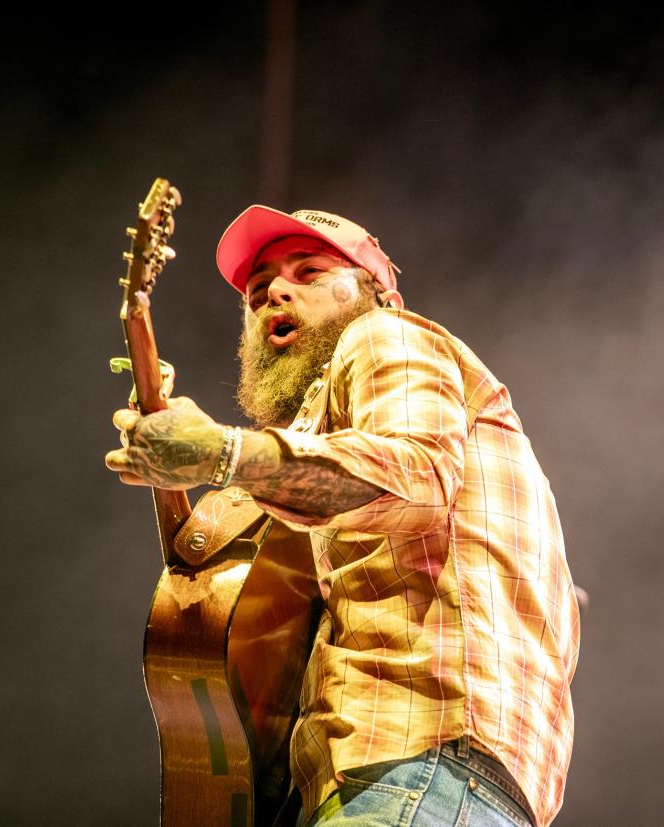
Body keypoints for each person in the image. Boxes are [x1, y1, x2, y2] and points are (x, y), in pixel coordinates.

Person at [105, 206, 580, 826]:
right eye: (258, 290)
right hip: (439, 782)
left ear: (378, 293)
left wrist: (220, 452)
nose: (276, 291)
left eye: (309, 271)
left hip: (413, 766)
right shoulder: (331, 448)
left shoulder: (387, 335)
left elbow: (417, 477)